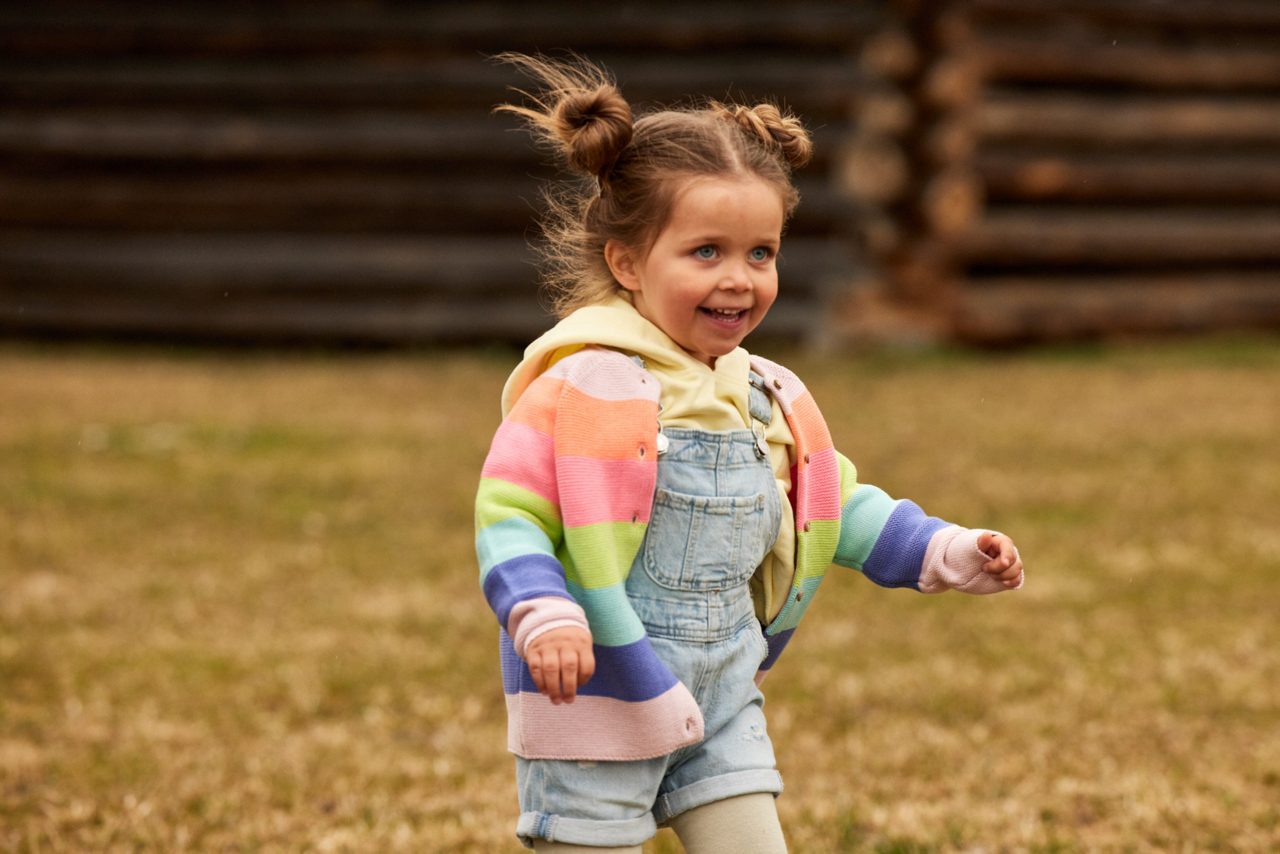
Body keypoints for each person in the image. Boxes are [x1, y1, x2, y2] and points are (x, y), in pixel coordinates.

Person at [476, 53, 1024, 853]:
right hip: (594, 693)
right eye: (706, 252)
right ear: (626, 262)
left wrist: (941, 549)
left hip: (723, 696)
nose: (740, 279)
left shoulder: (763, 390)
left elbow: (827, 500)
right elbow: (511, 510)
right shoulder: (585, 382)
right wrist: (542, 609)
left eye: (760, 253)